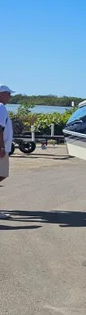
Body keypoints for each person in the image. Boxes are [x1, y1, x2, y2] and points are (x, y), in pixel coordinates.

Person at [0, 84, 14, 219]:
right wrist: (2, 147)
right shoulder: (1, 107)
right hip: (1, 148)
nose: (10, 97)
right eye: (8, 94)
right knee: (2, 174)